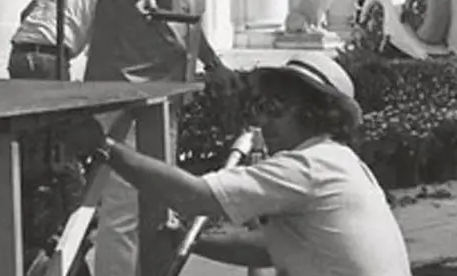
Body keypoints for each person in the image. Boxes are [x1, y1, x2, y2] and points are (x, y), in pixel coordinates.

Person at [57, 52, 411, 276]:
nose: (264, 121)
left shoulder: (308, 166)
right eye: (261, 105)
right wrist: (190, 241)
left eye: (276, 108)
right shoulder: (339, 163)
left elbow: (194, 197)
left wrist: (104, 147)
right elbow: (267, 248)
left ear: (313, 114)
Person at [84, 0, 236, 276]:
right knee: (124, 203)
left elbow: (188, 22)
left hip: (165, 97)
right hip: (124, 94)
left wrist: (214, 64)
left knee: (158, 203)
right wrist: (141, 0)